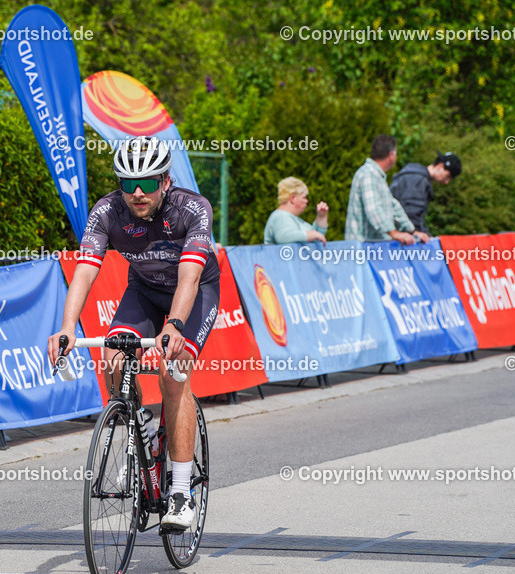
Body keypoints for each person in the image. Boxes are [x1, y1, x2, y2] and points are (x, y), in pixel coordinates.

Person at [47, 136, 220, 530]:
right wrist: (66, 328)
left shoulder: (192, 208)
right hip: (143, 291)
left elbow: (190, 278)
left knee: (173, 374)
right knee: (112, 359)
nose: (137, 193)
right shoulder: (107, 211)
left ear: (165, 181)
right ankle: (137, 417)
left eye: (146, 183)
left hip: (194, 293)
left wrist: (174, 325)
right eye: (128, 184)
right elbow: (86, 269)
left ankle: (179, 492)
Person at [344, 134, 429, 244]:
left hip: (373, 250)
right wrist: (394, 233)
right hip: (362, 250)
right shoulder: (368, 174)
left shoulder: (378, 176)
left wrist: (412, 231)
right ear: (391, 155)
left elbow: (394, 207)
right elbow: (373, 209)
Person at [389, 151, 461, 237]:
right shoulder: (418, 180)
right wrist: (426, 237)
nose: (446, 182)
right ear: (440, 166)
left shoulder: (414, 175)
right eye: (447, 176)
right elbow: (412, 215)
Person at [263, 177, 328, 244]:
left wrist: (321, 216)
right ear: (293, 198)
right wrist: (312, 235)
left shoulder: (294, 219)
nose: (307, 201)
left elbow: (318, 237)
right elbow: (284, 237)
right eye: (304, 197)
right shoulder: (281, 216)